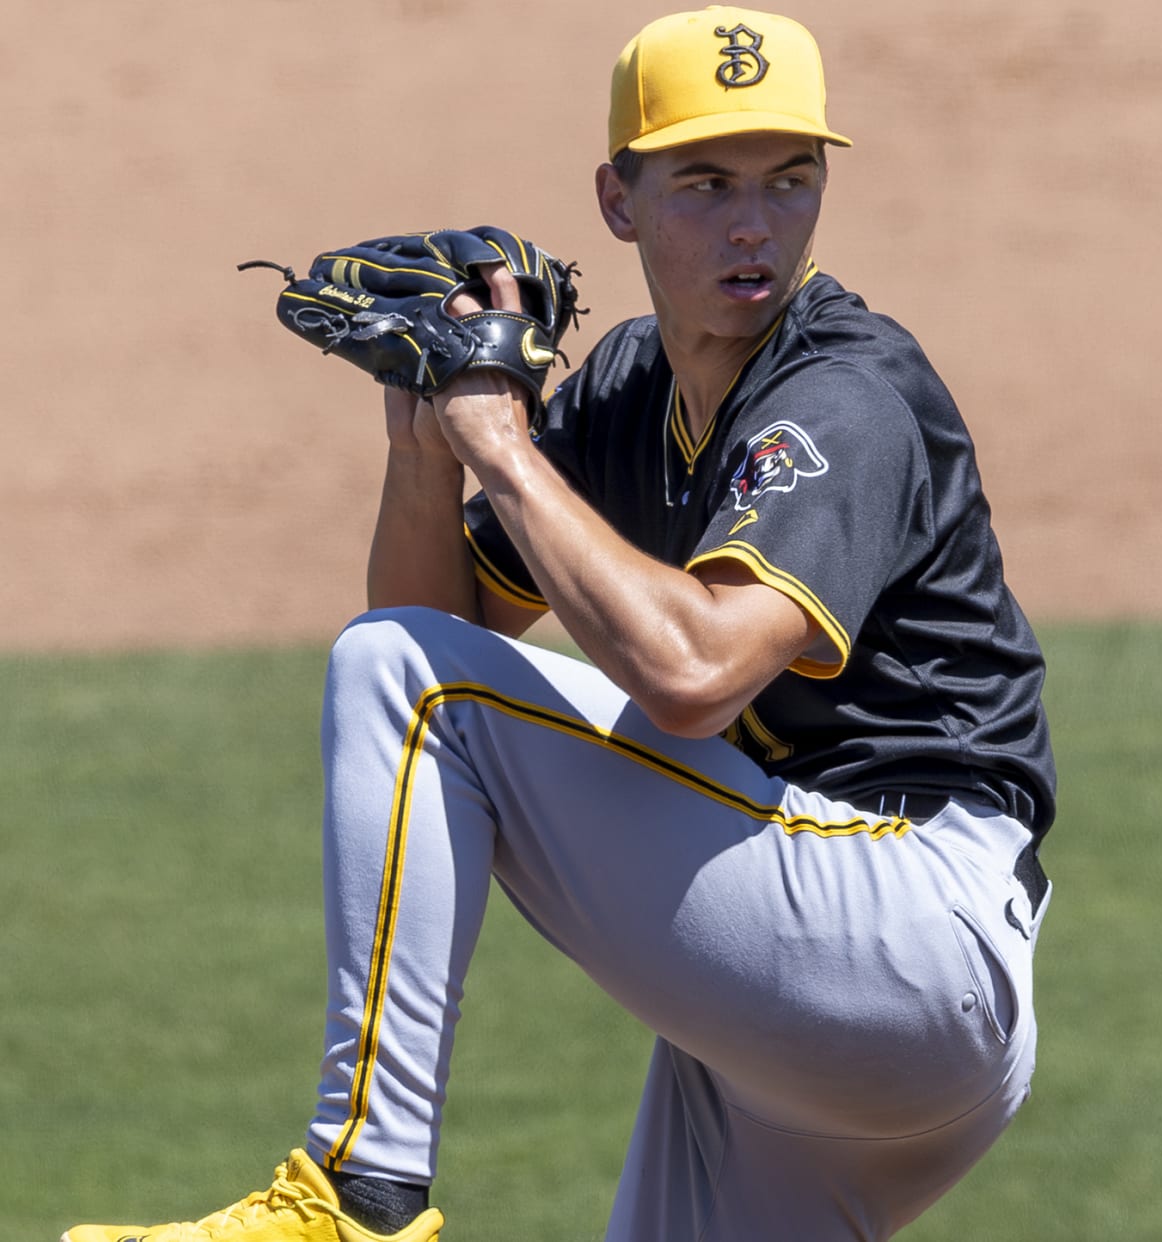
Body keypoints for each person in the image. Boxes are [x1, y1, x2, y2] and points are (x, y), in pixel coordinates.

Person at [63, 7, 1055, 1240]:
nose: (754, 224)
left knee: (408, 677)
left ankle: (358, 1196)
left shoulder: (844, 392)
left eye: (789, 179)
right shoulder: (632, 386)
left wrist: (505, 446)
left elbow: (690, 675)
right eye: (706, 183)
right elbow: (441, 632)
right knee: (414, 670)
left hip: (906, 925)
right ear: (617, 200)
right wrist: (427, 444)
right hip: (811, 1002)